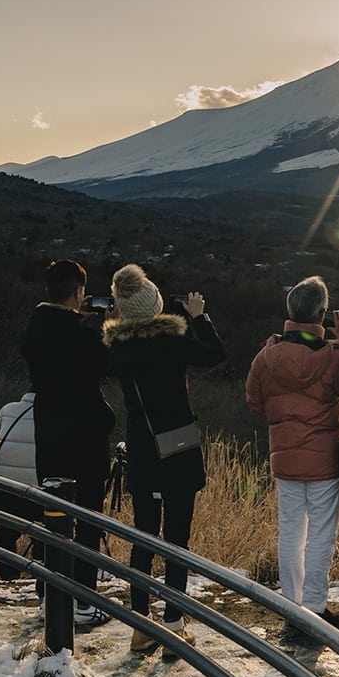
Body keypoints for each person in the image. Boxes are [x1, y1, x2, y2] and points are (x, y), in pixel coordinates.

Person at [104, 263, 224, 654]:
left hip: (141, 446)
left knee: (143, 537)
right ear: (155, 304)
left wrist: (108, 322)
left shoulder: (117, 346)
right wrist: (198, 316)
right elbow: (215, 354)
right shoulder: (174, 340)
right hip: (178, 445)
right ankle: (174, 624)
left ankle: (141, 627)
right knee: (177, 538)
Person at [245, 275, 339, 630]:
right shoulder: (335, 356)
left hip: (285, 457)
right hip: (325, 458)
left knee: (291, 532)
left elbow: (255, 402)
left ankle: (292, 604)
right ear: (322, 313)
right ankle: (314, 607)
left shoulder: (267, 356)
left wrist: (283, 424)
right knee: (322, 534)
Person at [21, 258, 118, 626]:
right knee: (88, 517)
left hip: (48, 428)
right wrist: (108, 325)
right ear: (78, 292)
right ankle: (82, 600)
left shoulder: (34, 327)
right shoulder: (82, 332)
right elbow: (108, 364)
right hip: (87, 434)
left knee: (53, 514)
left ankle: (49, 593)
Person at [0, 388, 39, 582]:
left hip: (4, 486)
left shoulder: (7, 410)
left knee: (4, 534)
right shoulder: (53, 413)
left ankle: (9, 577)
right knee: (42, 536)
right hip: (36, 488)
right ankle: (39, 579)